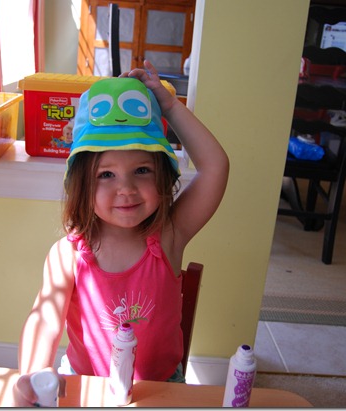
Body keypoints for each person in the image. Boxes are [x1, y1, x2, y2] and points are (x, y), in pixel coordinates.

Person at [14, 60, 229, 406]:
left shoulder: (170, 235)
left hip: (160, 388)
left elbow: (215, 166)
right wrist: (33, 373)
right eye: (106, 175)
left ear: (162, 176)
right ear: (81, 185)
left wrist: (170, 106)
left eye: (142, 170)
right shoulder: (68, 254)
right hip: (87, 385)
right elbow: (45, 318)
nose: (126, 189)